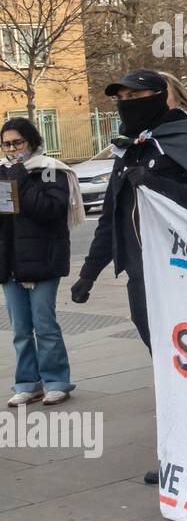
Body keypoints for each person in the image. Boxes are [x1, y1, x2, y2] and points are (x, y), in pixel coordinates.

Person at [69, 69, 187, 483]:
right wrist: (89, 274)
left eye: (136, 95)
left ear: (162, 95)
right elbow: (112, 215)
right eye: (121, 97)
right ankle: (186, 447)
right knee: (165, 367)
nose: (125, 103)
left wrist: (155, 182)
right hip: (143, 277)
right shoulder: (130, 148)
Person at [1, 118, 84, 407]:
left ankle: (57, 381)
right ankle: (27, 383)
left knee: (44, 323)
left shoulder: (50, 170)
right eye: (7, 143)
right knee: (20, 328)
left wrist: (21, 179)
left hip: (43, 258)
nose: (12, 149)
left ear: (31, 142)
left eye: (18, 143)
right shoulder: (3, 172)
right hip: (10, 261)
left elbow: (50, 210)